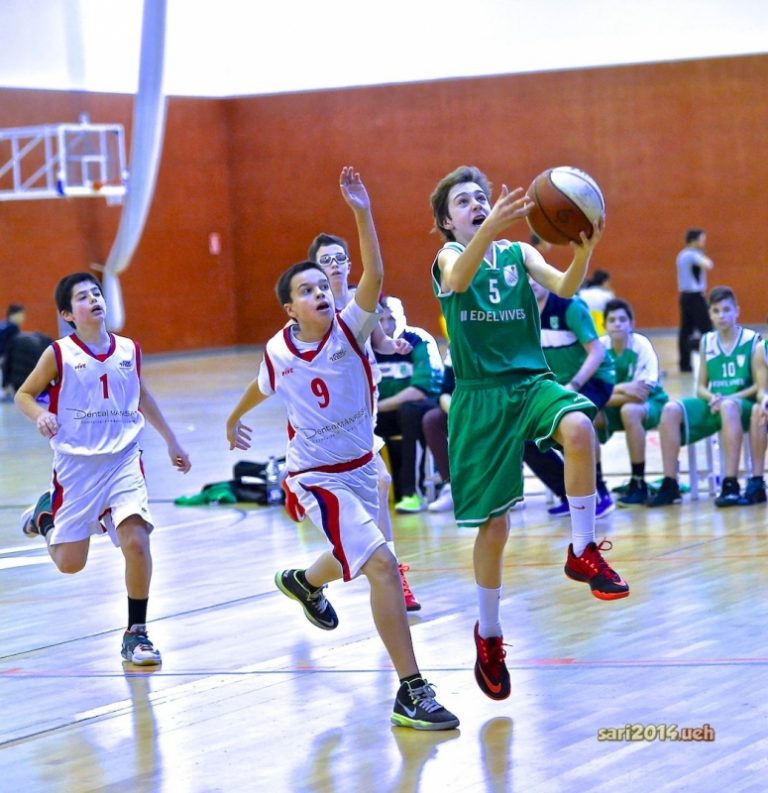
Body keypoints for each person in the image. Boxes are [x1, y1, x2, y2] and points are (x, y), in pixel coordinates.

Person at [226, 167, 458, 731]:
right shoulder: (279, 351)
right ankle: (411, 690)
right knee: (381, 563)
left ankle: (305, 582)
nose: (320, 294)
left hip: (361, 464)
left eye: (324, 287)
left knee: (357, 552)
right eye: (307, 291)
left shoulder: (352, 328)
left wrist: (362, 211)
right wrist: (234, 418)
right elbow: (261, 386)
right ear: (290, 309)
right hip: (317, 477)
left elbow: (374, 274)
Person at [429, 165, 629, 702]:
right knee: (495, 528)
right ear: (447, 222)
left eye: (480, 197)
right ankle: (489, 634)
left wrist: (583, 250)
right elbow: (458, 281)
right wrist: (491, 228)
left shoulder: (519, 253)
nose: (476, 204)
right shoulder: (449, 257)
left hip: (530, 381)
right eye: (463, 202)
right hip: (480, 396)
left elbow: (564, 286)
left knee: (580, 427)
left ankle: (582, 549)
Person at [15, 272, 191, 665]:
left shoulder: (128, 349)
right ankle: (45, 515)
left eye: (96, 293)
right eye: (83, 297)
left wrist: (171, 440)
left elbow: (140, 393)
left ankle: (136, 633)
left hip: (123, 460)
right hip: (77, 469)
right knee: (70, 564)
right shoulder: (58, 354)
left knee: (137, 541)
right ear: (67, 314)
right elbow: (24, 394)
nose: (94, 299)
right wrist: (41, 415)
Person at [308, 231, 421, 611]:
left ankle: (318, 578)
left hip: (364, 413)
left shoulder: (362, 298)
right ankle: (389, 573)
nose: (335, 265)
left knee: (375, 492)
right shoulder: (315, 308)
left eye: (340, 258)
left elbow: (380, 342)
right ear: (315, 268)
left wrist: (394, 345)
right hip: (333, 419)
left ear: (349, 263)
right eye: (326, 260)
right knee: (379, 483)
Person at [647, 286, 759, 507]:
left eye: (726, 310)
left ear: (737, 311)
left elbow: (758, 386)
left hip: (743, 406)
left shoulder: (751, 340)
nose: (722, 315)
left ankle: (730, 484)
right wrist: (712, 398)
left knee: (729, 407)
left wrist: (729, 398)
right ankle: (670, 484)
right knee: (670, 410)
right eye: (716, 311)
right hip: (715, 403)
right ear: (710, 314)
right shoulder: (707, 341)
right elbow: (700, 387)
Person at [523, 277, 616, 518]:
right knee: (524, 436)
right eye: (526, 278)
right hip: (556, 385)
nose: (532, 283)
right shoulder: (521, 312)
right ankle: (569, 494)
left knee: (574, 421)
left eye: (536, 277)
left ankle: (600, 492)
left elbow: (597, 352)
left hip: (594, 378)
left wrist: (574, 385)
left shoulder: (570, 306)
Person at [596, 299, 669, 506]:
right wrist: (622, 387)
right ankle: (596, 484)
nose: (617, 324)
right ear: (604, 325)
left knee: (630, 410)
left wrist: (604, 394)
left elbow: (640, 395)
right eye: (612, 320)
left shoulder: (641, 345)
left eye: (622, 319)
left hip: (652, 401)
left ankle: (638, 482)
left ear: (632, 323)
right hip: (612, 404)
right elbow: (591, 394)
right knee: (587, 414)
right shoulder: (599, 348)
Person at [374, 296, 443, 513]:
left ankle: (413, 494)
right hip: (382, 415)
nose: (387, 326)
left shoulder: (419, 340)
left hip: (421, 409)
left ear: (403, 317)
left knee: (410, 411)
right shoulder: (371, 345)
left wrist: (376, 407)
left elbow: (419, 391)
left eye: (392, 319)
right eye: (381, 320)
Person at [677, 228, 714, 373]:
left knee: (685, 330)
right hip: (695, 297)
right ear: (693, 241)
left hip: (685, 296)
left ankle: (685, 364)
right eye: (702, 240)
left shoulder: (681, 255)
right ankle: (713, 359)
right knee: (707, 329)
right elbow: (708, 264)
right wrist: (702, 255)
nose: (704, 243)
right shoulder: (692, 254)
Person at [422, 348, 455, 512]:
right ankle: (452, 486)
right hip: (464, 409)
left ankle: (507, 487)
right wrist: (457, 415)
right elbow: (445, 393)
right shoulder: (457, 344)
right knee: (432, 420)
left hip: (496, 404)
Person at [0, 303, 26, 398]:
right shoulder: (12, 328)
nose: (23, 318)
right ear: (13, 315)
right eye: (21, 315)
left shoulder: (3, 325)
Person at [578, 269, 614, 335]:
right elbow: (613, 312)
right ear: (604, 282)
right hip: (601, 330)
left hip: (584, 328)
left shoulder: (582, 293)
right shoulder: (607, 296)